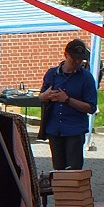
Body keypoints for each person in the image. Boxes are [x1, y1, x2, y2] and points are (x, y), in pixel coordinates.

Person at [39, 38, 98, 170]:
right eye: (74, 58)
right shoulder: (52, 74)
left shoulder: (86, 78)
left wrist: (67, 100)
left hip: (74, 131)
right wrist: (45, 96)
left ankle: (72, 191)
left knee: (73, 171)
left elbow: (91, 108)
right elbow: (41, 96)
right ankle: (60, 191)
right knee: (58, 170)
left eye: (80, 59)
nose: (77, 62)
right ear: (66, 55)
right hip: (54, 130)